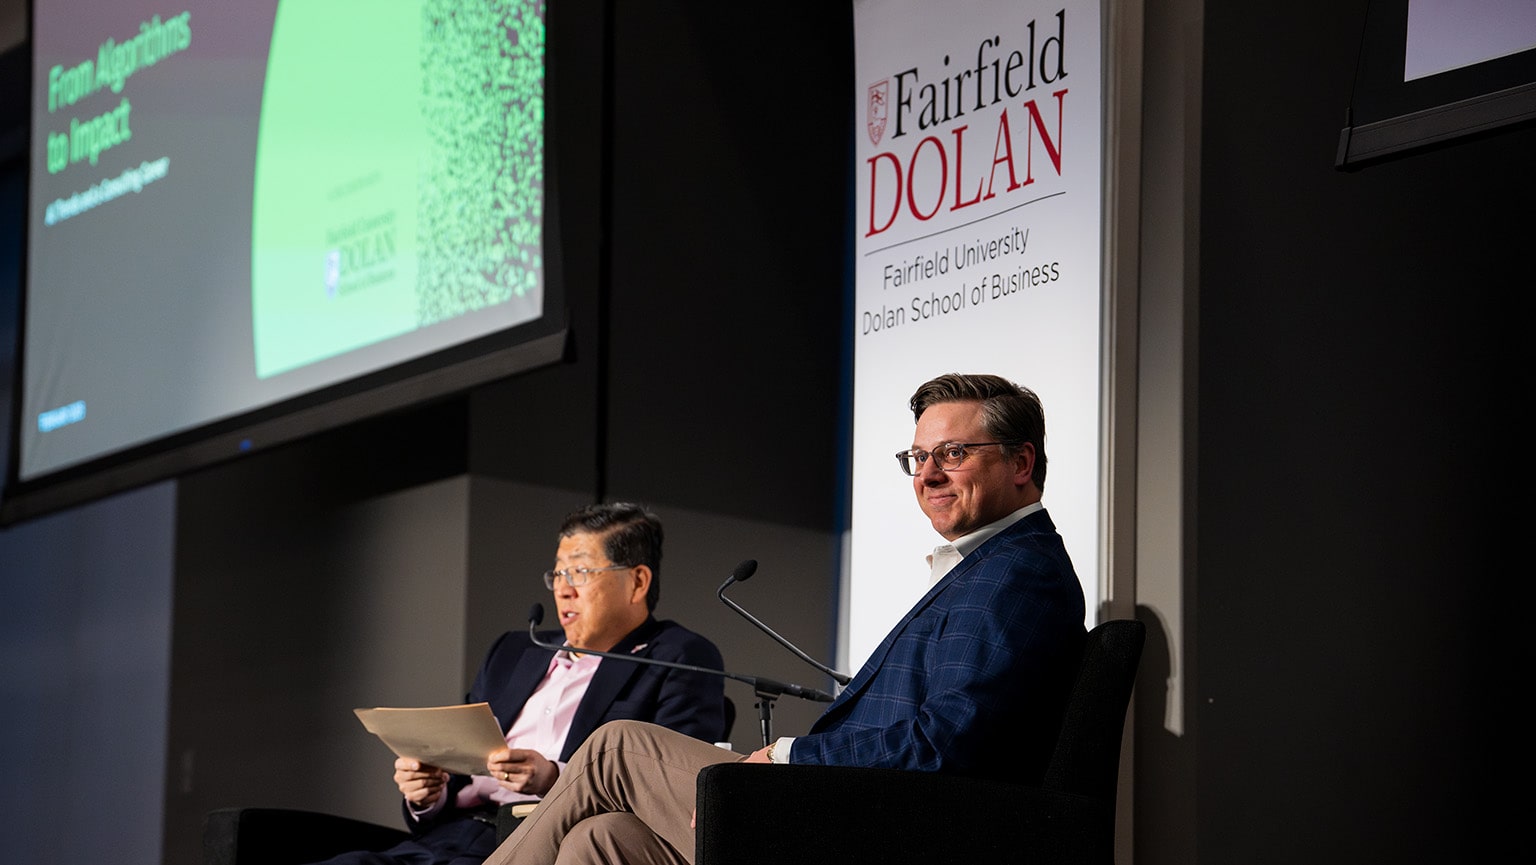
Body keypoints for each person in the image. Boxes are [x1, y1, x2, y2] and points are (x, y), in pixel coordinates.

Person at [481, 372, 1087, 865]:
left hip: (873, 828)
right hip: (843, 809)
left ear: (1020, 462)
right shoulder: (988, 570)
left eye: (953, 454)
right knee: (603, 840)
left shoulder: (1016, 575)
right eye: (919, 456)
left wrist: (790, 757)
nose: (927, 475)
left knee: (615, 746)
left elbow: (948, 744)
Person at [307, 502, 728, 865]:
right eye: (558, 574)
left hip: (545, 839)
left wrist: (554, 778)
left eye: (580, 572)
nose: (563, 591)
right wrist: (427, 794)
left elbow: (664, 786)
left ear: (637, 581)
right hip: (444, 838)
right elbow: (459, 760)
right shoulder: (512, 650)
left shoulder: (680, 656)